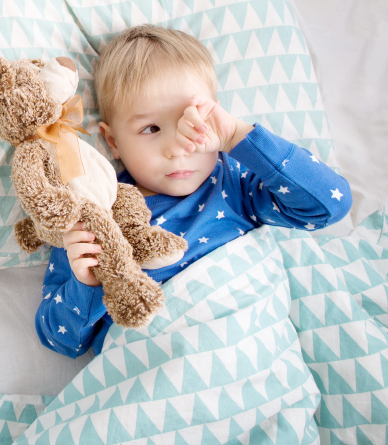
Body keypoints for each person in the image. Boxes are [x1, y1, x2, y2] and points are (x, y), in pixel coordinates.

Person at [36, 24, 352, 358]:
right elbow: (61, 341)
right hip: (157, 362)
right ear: (113, 141)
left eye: (193, 121)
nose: (178, 148)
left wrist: (238, 138)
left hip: (252, 346)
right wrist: (85, 284)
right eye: (151, 128)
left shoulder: (233, 181)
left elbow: (328, 206)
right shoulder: (95, 214)